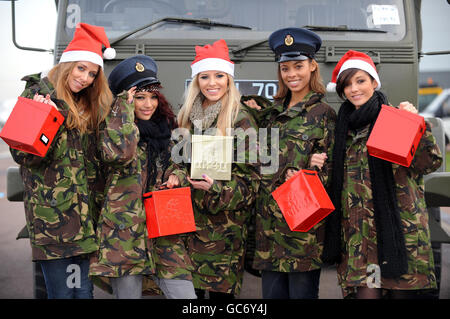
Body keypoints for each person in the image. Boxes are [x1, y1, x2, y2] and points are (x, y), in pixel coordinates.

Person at [321, 50, 443, 299]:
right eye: (347, 84)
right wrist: (317, 162)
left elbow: (428, 164)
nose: (354, 89)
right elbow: (334, 184)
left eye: (361, 81)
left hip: (399, 240)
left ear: (375, 83)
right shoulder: (340, 131)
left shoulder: (395, 120)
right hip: (360, 244)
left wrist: (416, 127)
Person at [9, 23, 115, 299]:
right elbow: (23, 156)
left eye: (93, 73)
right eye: (81, 69)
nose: (86, 78)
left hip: (84, 222)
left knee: (83, 293)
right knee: (64, 295)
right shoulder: (37, 94)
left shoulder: (86, 104)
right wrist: (49, 121)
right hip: (53, 224)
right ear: (67, 64)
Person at [89, 54, 196, 299]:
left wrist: (176, 175)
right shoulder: (111, 130)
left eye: (152, 97)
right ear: (125, 100)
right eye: (139, 97)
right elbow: (120, 153)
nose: (148, 104)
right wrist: (122, 114)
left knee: (186, 296)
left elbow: (179, 163)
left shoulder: (168, 128)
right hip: (124, 234)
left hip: (165, 229)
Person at [242, 27, 337, 299]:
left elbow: (331, 170)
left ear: (313, 66)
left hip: (302, 230)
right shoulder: (271, 113)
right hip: (268, 230)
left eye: (299, 66)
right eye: (285, 68)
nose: (292, 74)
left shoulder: (323, 114)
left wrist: (313, 169)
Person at [165, 39, 260, 299]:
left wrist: (215, 187)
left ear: (229, 78)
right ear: (196, 80)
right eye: (205, 76)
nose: (212, 83)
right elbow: (175, 161)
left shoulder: (240, 119)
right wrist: (175, 175)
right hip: (185, 228)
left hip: (222, 235)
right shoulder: (186, 117)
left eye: (219, 75)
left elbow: (251, 185)